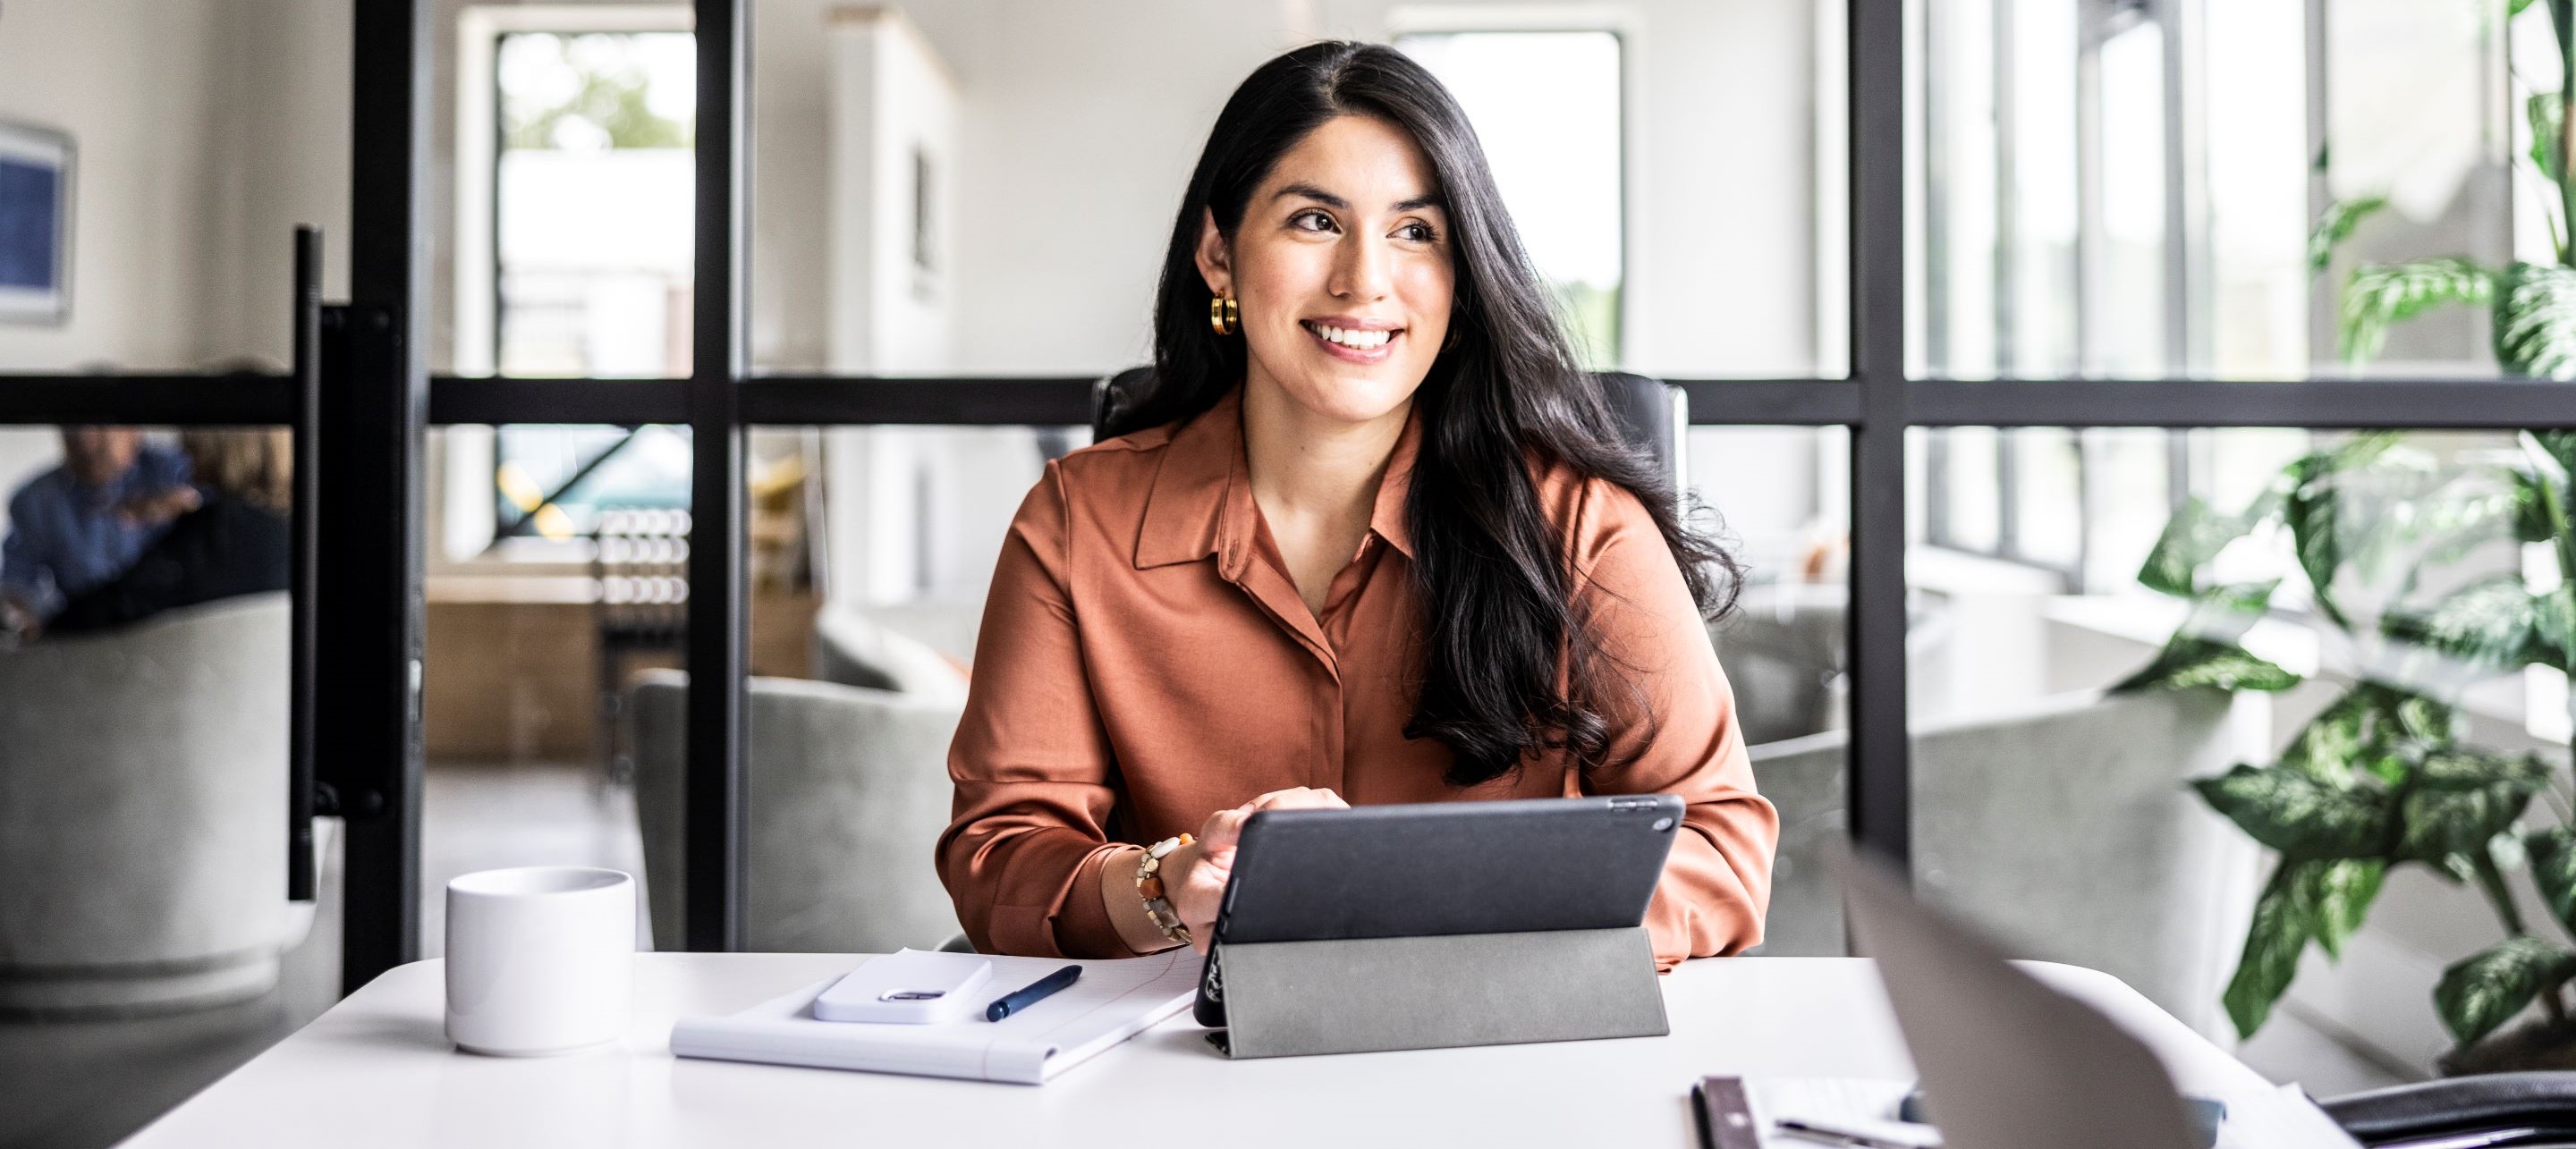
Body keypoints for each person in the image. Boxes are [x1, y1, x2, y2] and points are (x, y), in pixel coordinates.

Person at [936, 42, 1777, 969]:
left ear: (1462, 279)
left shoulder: (1579, 527)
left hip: (1501, 1055)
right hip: (1181, 1068)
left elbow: (1720, 851)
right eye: (1313, 221)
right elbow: (1001, 852)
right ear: (1219, 254)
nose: (1364, 281)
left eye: (1416, 232)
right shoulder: (1077, 521)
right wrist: (1167, 887)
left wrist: (1416, 892)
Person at [47, 429, 292, 636]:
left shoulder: (217, 528)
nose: (185, 452)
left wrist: (47, 628)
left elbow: (124, 601)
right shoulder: (292, 530)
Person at [0, 427, 197, 641]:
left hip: (173, 635)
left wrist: (189, 508)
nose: (85, 439)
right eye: (73, 428)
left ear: (134, 430)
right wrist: (21, 613)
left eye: (101, 427)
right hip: (86, 641)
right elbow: (17, 582)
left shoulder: (178, 471)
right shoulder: (35, 500)